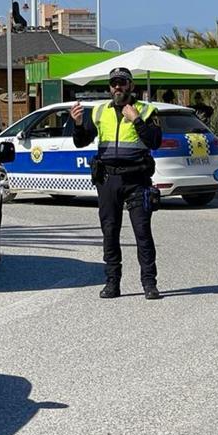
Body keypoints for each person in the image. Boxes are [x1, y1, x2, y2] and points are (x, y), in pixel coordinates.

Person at [70, 67, 163, 300]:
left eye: (122, 83)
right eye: (114, 84)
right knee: (109, 232)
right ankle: (112, 283)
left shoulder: (147, 110)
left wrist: (137, 120)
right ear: (109, 87)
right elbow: (81, 142)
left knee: (142, 232)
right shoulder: (100, 111)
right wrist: (79, 124)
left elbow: (155, 141)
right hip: (108, 179)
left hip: (137, 180)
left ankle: (149, 284)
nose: (117, 87)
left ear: (131, 86)